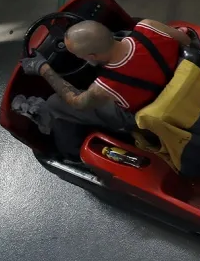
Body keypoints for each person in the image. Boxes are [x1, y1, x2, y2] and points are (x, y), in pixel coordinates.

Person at [13, 18, 190, 159]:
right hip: (184, 83)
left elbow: (76, 102)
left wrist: (44, 69)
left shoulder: (104, 88)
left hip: (146, 113)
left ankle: (57, 133)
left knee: (55, 102)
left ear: (91, 56)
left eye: (77, 55)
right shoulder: (148, 26)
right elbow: (186, 39)